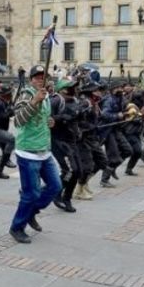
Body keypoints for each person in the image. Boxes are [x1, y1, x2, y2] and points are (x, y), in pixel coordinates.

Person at [8, 65, 61, 243]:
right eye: (37, 77)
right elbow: (19, 120)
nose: (40, 80)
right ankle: (17, 227)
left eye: (43, 77)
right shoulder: (27, 94)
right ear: (31, 79)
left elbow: (41, 119)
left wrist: (50, 121)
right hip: (28, 152)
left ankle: (30, 211)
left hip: (44, 150)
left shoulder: (46, 95)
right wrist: (34, 101)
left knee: (55, 186)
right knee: (31, 193)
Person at [50, 78, 84, 213]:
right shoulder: (56, 101)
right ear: (61, 89)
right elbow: (48, 119)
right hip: (59, 141)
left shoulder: (75, 101)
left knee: (78, 171)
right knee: (70, 171)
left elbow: (78, 119)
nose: (73, 90)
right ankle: (57, 193)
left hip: (72, 141)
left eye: (74, 87)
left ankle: (66, 197)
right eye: (69, 88)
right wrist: (63, 117)